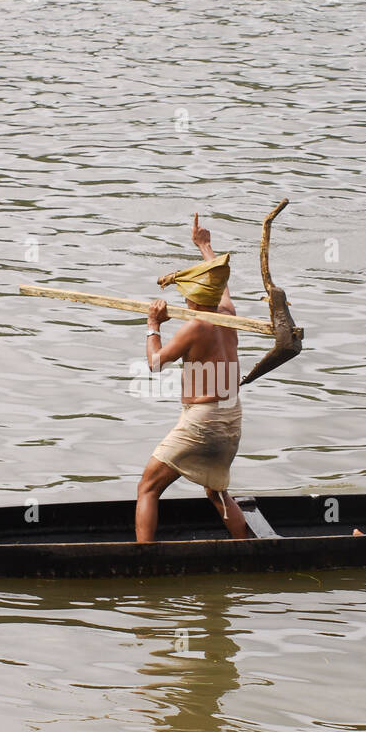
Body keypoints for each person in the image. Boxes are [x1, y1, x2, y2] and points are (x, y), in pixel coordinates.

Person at [135, 214, 250, 543]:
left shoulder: (195, 325)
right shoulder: (228, 315)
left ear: (193, 296)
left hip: (203, 422)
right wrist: (204, 246)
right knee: (216, 493)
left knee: (148, 487)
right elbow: (222, 283)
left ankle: (142, 559)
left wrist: (153, 324)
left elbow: (155, 364)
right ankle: (247, 549)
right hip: (231, 418)